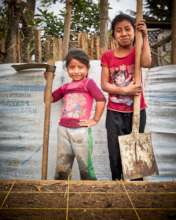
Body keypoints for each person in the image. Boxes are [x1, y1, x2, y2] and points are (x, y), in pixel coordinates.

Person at [100, 13, 152, 180]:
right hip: (114, 113)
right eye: (119, 30)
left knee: (136, 154)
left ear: (133, 31)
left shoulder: (137, 52)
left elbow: (146, 63)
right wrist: (125, 91)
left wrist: (144, 36)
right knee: (115, 153)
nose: (124, 33)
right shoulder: (108, 56)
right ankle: (117, 185)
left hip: (137, 111)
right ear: (114, 35)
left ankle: (137, 190)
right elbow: (104, 85)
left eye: (128, 29)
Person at [44, 48, 106, 180]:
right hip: (63, 129)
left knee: (85, 165)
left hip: (81, 131)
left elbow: (101, 99)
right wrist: (48, 82)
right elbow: (48, 99)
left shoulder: (88, 83)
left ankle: (89, 190)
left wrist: (95, 119)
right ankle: (61, 189)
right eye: (72, 67)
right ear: (67, 69)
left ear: (87, 68)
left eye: (80, 67)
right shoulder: (65, 87)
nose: (76, 71)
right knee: (62, 163)